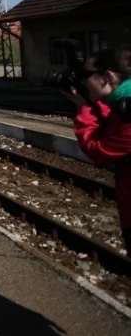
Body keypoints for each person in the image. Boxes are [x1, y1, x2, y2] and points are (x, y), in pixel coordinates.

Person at [70, 49, 131, 249]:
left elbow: (98, 150)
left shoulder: (129, 111)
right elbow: (112, 126)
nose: (84, 82)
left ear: (108, 76)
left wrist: (84, 110)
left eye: (87, 75)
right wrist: (95, 105)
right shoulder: (123, 102)